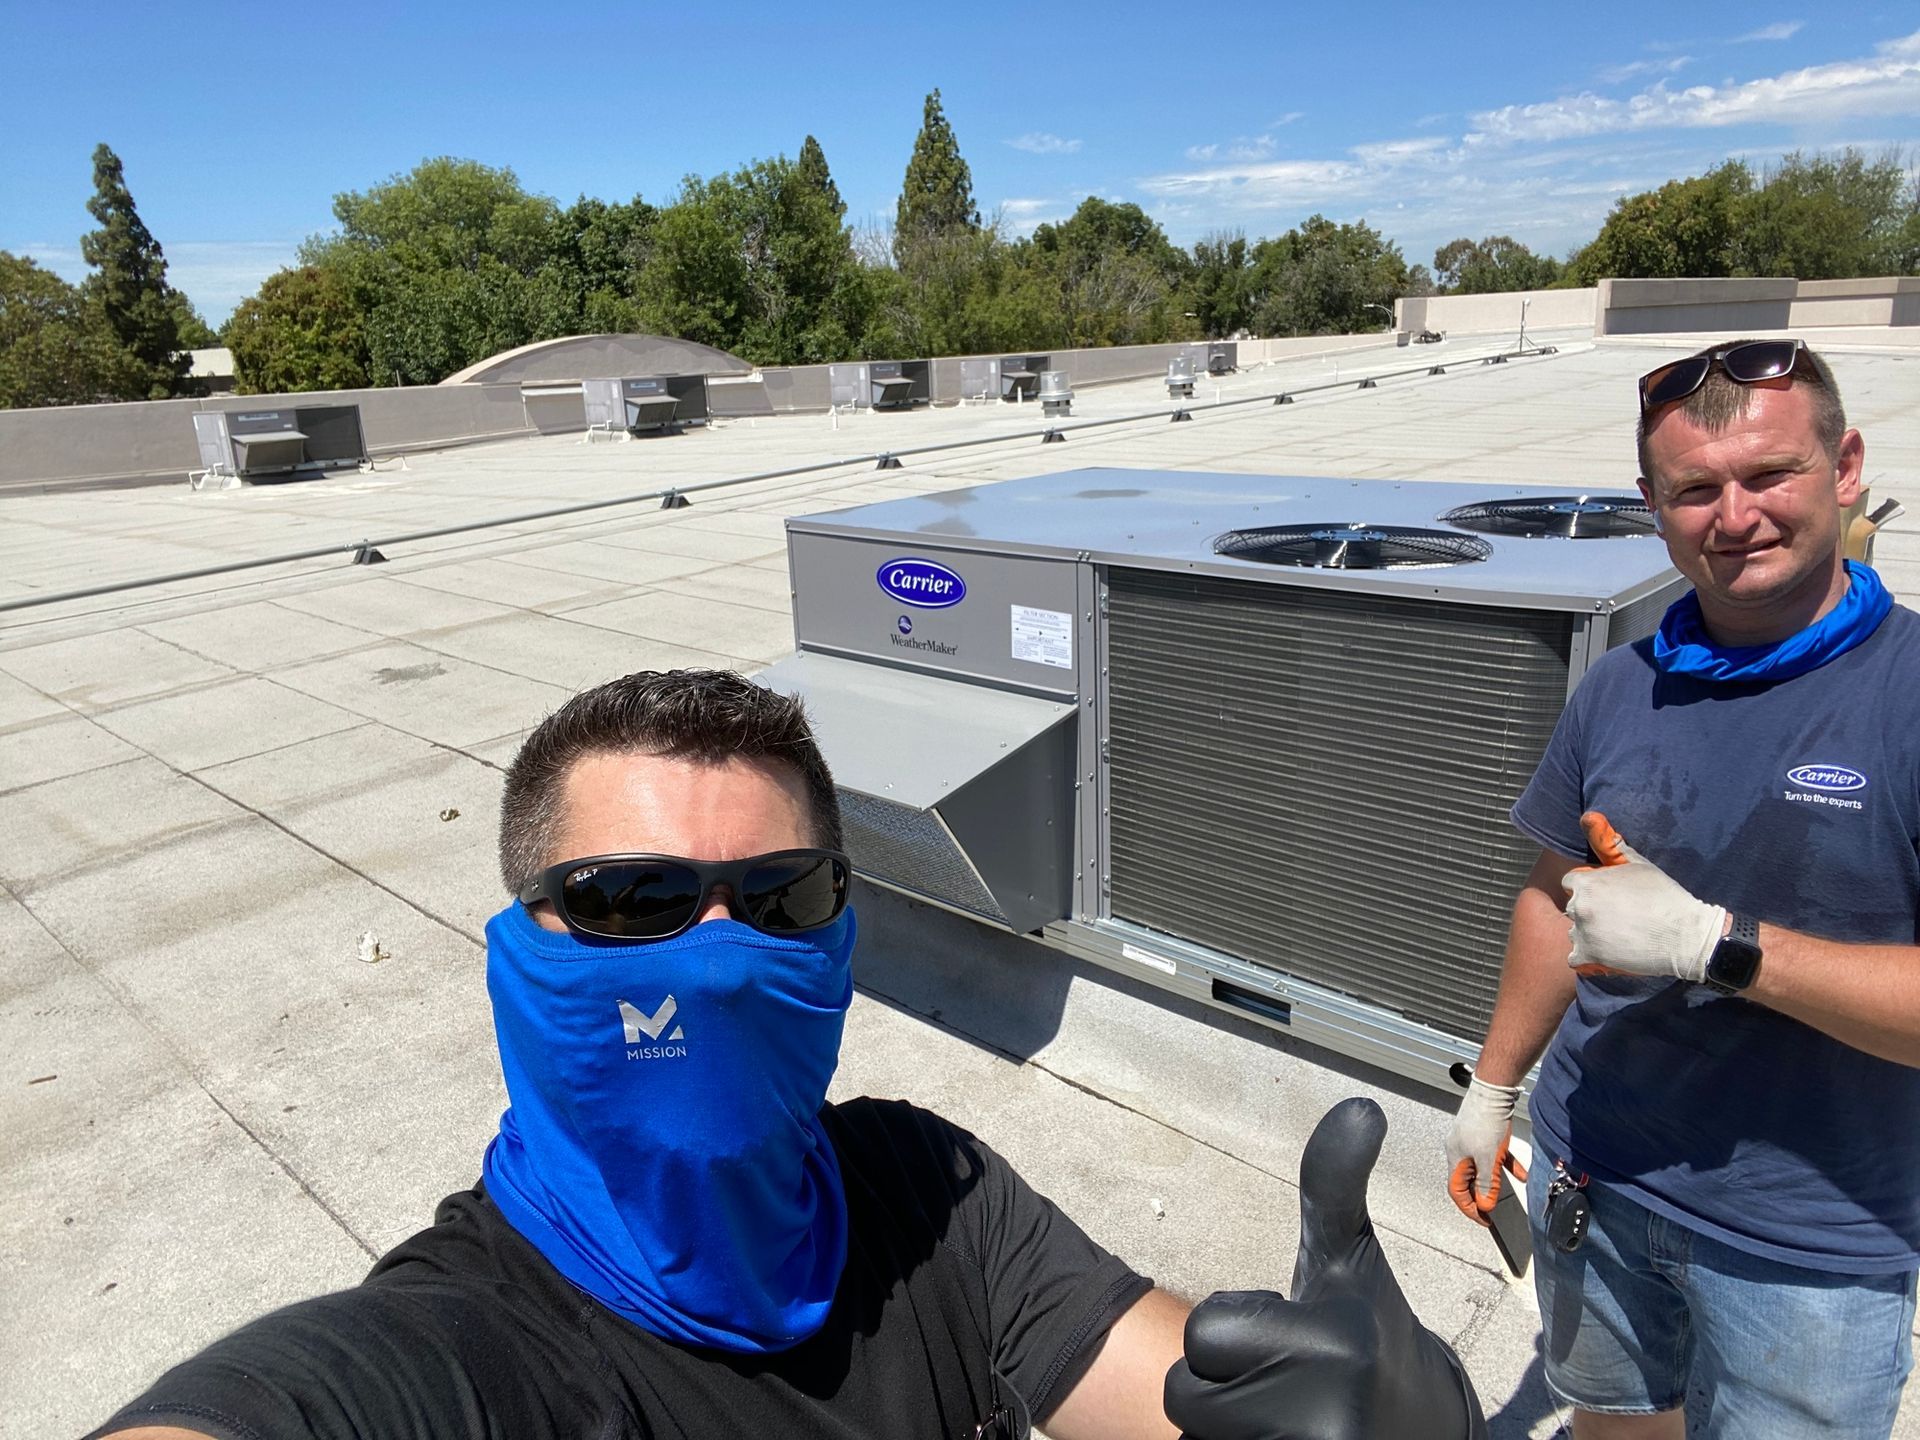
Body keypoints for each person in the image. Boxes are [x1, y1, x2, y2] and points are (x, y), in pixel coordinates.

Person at [91, 668, 1484, 1440]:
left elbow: (1177, 1388)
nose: (714, 956)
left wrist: (1348, 1403)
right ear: (521, 951)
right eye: (629, 903)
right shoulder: (459, 1351)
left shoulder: (927, 1192)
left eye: (778, 904)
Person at [1445, 338, 1920, 1439]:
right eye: (1696, 490)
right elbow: (1550, 891)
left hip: (1810, 1248)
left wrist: (1720, 944)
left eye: (1769, 476)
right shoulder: (1621, 687)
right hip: (1592, 1181)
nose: (1734, 514)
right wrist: (1496, 1088)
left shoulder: (1904, 694)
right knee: (1612, 1426)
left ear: (1844, 467)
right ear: (1653, 509)